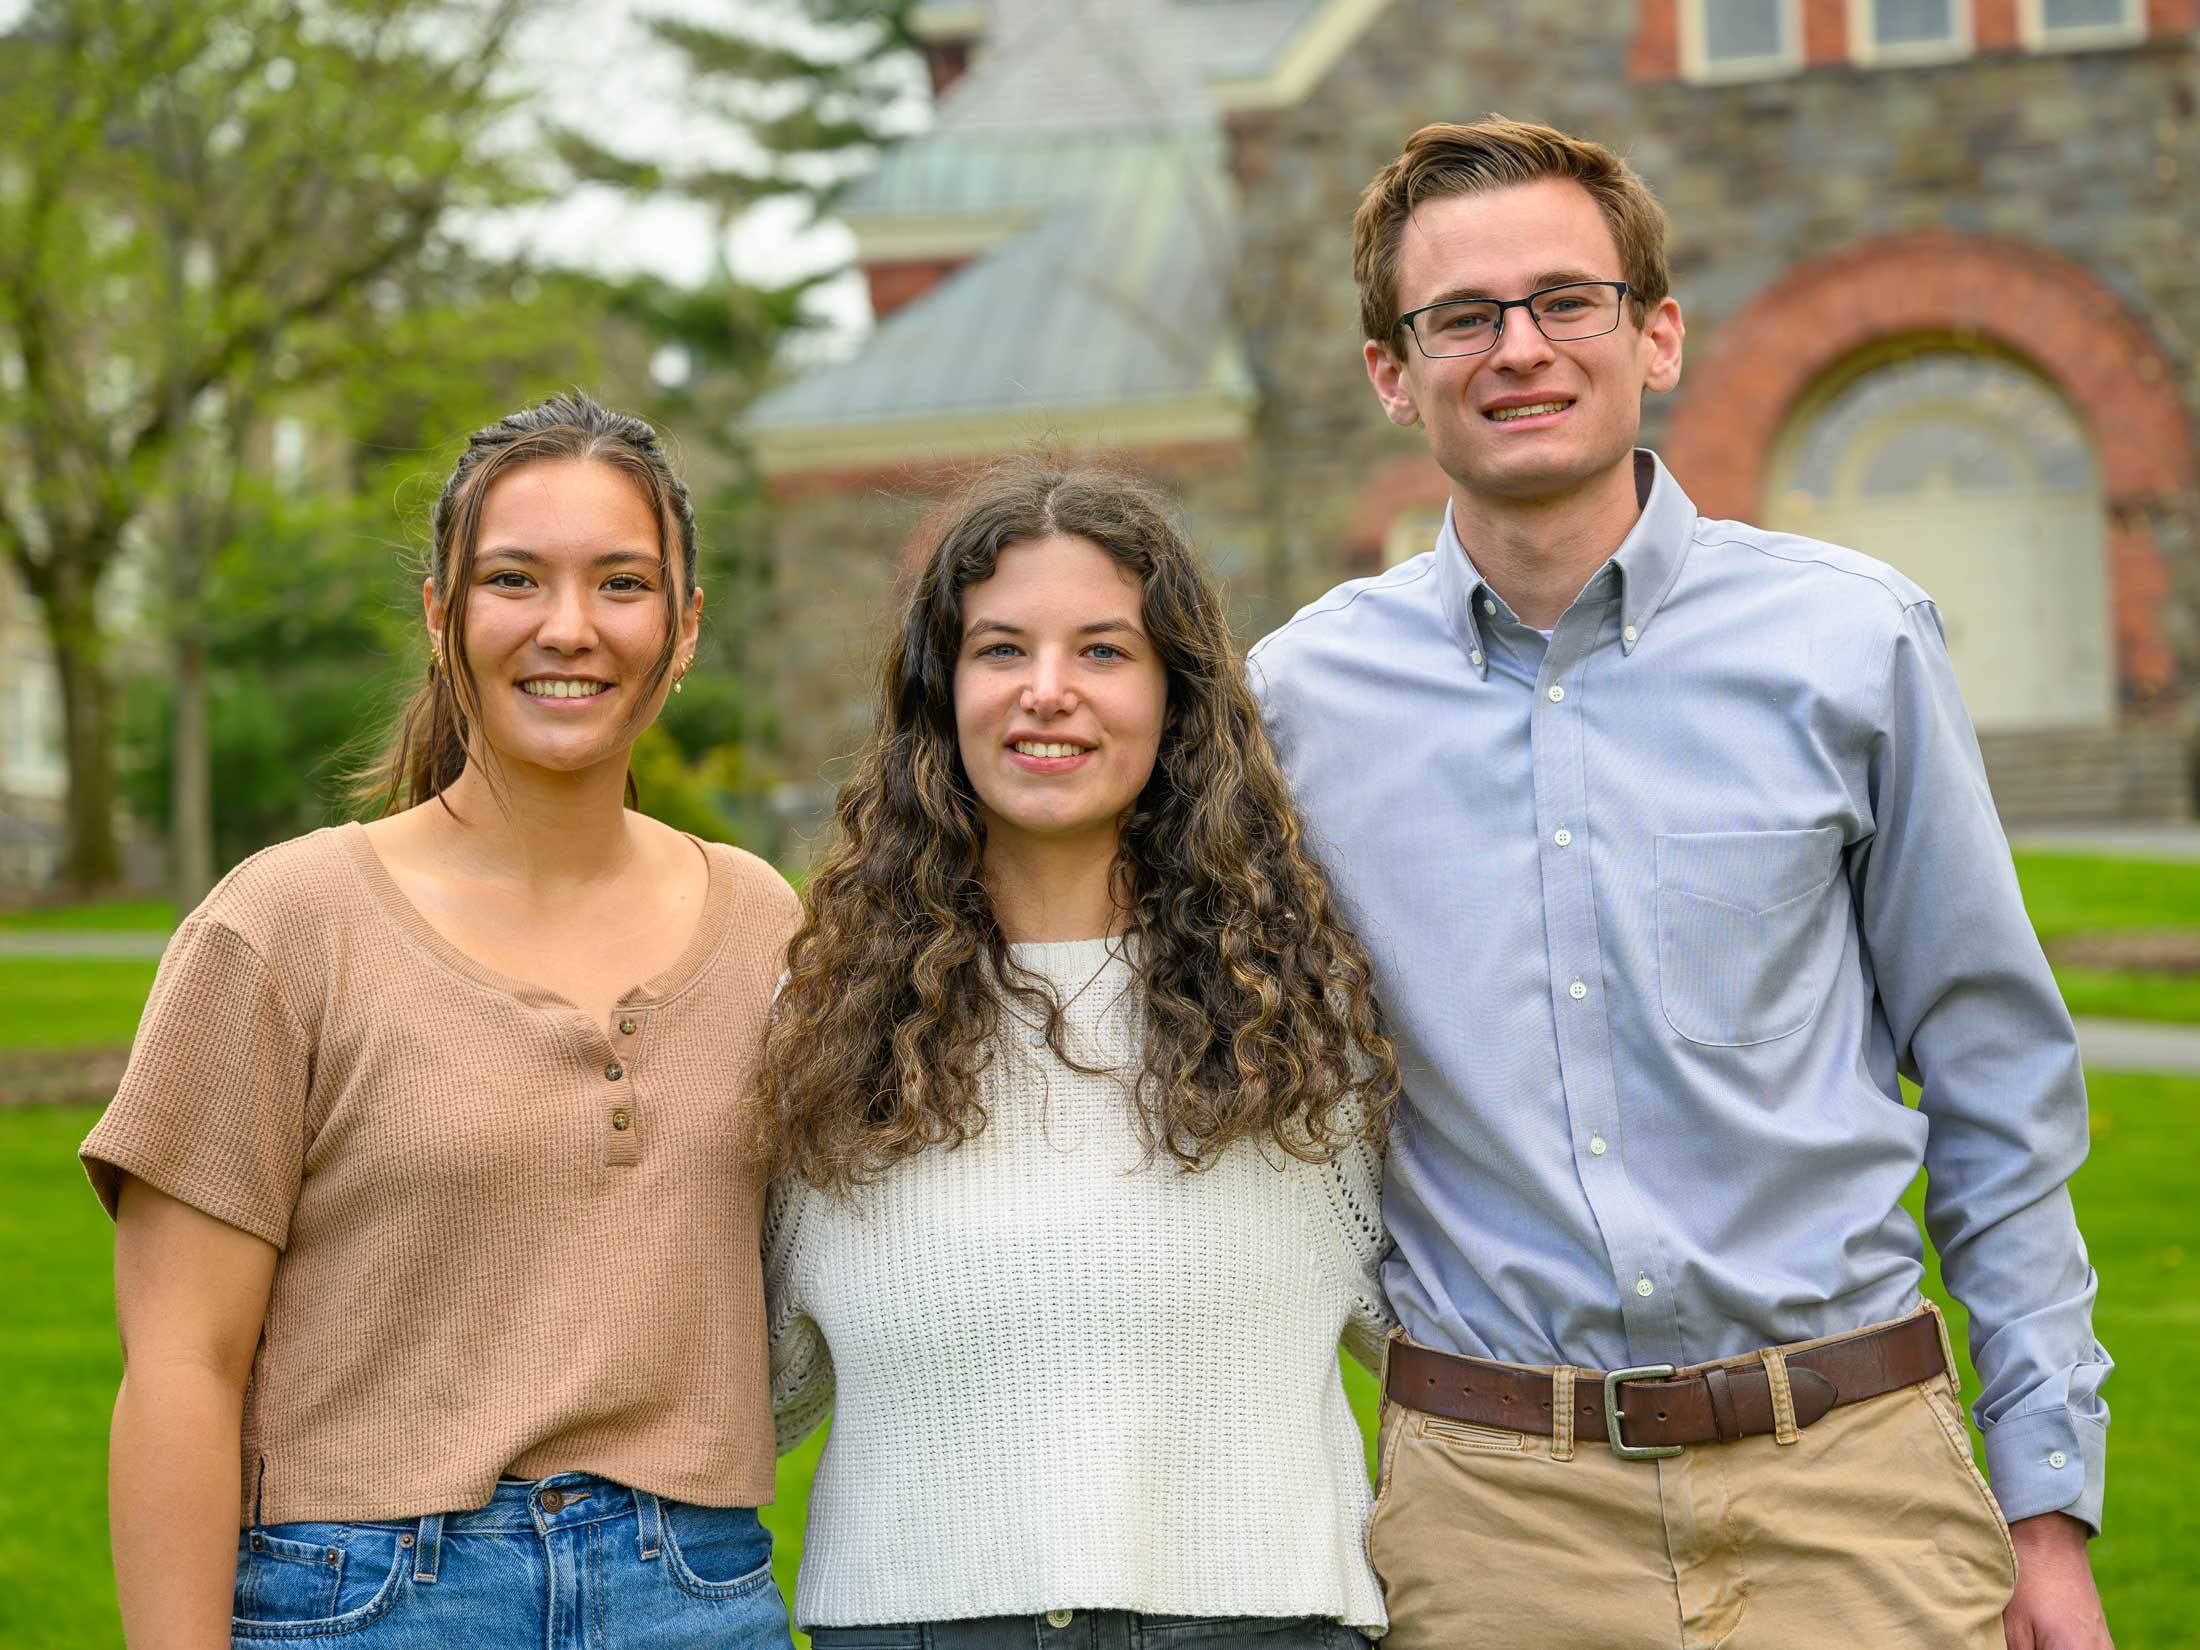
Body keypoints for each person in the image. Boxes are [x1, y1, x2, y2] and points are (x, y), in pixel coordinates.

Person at [1246, 119, 2113, 1650]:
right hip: (1493, 1517)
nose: (1519, 349)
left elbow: (1997, 1088)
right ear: (1392, 371)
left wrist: (2044, 1509)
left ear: (1657, 331)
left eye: (1566, 300)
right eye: (1462, 317)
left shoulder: (1853, 643)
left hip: (1857, 1494)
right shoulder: (1299, 705)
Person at [81, 391, 802, 1650]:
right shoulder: (287, 925)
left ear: (683, 629)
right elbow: (181, 1372)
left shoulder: (761, 926)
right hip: (364, 1602)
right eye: (514, 578)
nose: (568, 628)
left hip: (693, 1595)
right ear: (440, 615)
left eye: (621, 583)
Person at [763, 464, 1397, 1649]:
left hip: (1262, 1627)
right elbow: (753, 1379)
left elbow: (1438, 1345)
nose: (1047, 693)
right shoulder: (818, 1029)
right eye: (1001, 650)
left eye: (1103, 652)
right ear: (939, 693)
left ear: (1176, 695)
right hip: (915, 1627)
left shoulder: (1308, 1022)